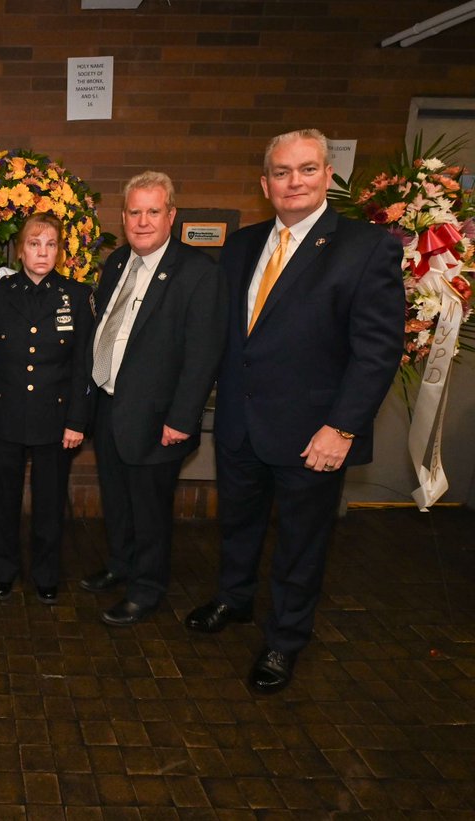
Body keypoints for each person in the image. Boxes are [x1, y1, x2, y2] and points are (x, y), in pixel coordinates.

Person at [184, 129, 403, 693]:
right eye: (281, 173)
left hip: (314, 433)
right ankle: (234, 599)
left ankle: (284, 640)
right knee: (237, 525)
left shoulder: (365, 247)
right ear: (264, 184)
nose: (294, 182)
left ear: (328, 176)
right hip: (240, 424)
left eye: (306, 170)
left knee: (302, 543)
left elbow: (378, 351)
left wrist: (343, 427)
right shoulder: (241, 246)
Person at [79, 171, 227, 627]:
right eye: (134, 212)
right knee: (118, 499)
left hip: (159, 417)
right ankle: (121, 565)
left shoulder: (199, 273)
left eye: (153, 212)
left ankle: (146, 589)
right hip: (110, 406)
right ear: (123, 217)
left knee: (149, 509)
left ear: (172, 215)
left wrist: (183, 418)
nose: (143, 221)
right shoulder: (118, 262)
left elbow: (204, 354)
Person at [0, 213, 93, 604]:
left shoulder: (76, 296)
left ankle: (46, 573)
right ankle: (3, 570)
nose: (42, 252)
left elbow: (82, 365)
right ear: (20, 249)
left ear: (60, 250)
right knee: (2, 500)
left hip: (54, 419)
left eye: (51, 244)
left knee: (50, 502)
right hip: (3, 414)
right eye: (35, 243)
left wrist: (76, 420)